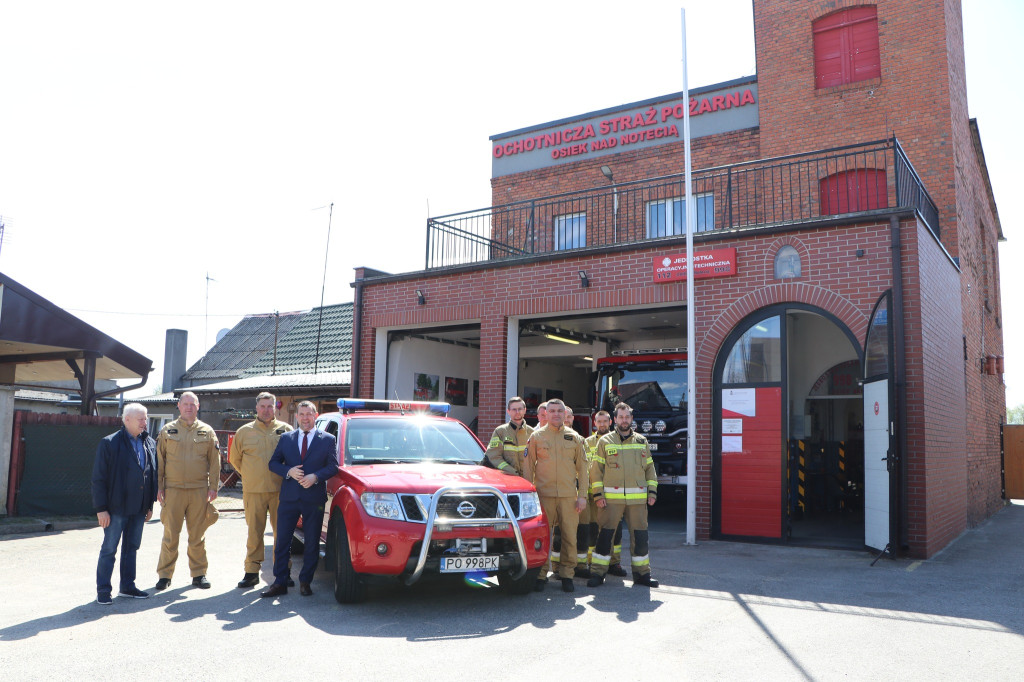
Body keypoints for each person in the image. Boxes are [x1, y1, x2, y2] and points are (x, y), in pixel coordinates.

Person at [262, 401, 339, 598]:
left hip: (313, 498)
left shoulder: (328, 439)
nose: (305, 418)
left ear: (315, 415)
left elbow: (333, 467)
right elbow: (273, 463)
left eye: (309, 414)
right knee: (282, 542)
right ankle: (279, 582)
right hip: (289, 498)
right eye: (301, 414)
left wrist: (316, 477)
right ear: (296, 417)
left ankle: (306, 581)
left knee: (312, 542)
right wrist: (288, 470)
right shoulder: (287, 438)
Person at [91, 403, 158, 605]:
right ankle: (103, 590)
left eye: (145, 419)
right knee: (109, 549)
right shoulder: (110, 443)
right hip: (116, 508)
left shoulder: (149, 443)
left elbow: (152, 474)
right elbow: (98, 478)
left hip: (139, 508)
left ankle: (127, 587)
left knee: (132, 547)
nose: (144, 423)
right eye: (141, 419)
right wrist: (101, 509)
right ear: (126, 419)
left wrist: (150, 506)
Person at [155, 391, 221, 591]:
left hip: (199, 490)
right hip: (173, 490)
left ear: (198, 406)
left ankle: (199, 574)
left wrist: (213, 487)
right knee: (170, 535)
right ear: (179, 406)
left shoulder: (207, 431)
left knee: (197, 535)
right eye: (185, 404)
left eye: (193, 404)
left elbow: (215, 462)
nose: (189, 407)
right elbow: (160, 461)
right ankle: (165, 575)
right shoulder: (167, 430)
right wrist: (159, 487)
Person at [588, 402, 659, 588]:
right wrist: (598, 495)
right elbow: (596, 471)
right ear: (615, 419)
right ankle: (597, 573)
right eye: (621, 417)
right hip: (611, 500)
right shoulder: (605, 442)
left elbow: (650, 469)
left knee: (641, 538)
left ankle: (642, 574)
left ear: (631, 418)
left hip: (638, 501)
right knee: (605, 537)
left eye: (627, 417)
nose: (624, 420)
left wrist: (652, 492)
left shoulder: (642, 441)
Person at [522, 398, 588, 593]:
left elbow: (583, 470)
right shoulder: (536, 437)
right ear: (546, 414)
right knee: (543, 538)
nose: (556, 414)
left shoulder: (575, 437)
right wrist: (529, 496)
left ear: (565, 414)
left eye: (560, 411)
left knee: (569, 538)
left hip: (569, 496)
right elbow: (528, 468)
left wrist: (582, 495)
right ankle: (541, 575)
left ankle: (567, 575)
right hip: (544, 496)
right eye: (552, 411)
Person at [228, 392, 293, 588]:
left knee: (281, 534)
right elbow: (234, 460)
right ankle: (251, 572)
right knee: (254, 533)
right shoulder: (244, 432)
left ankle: (283, 571)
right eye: (263, 406)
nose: (266, 410)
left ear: (276, 408)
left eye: (270, 406)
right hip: (254, 491)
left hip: (280, 491)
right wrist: (250, 475)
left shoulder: (287, 430)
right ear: (256, 408)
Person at [485, 396, 533, 476]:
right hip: (509, 479)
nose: (517, 412)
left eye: (520, 409)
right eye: (514, 409)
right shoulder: (500, 432)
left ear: (525, 410)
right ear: (508, 411)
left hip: (528, 481)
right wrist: (511, 471)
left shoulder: (532, 433)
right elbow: (493, 456)